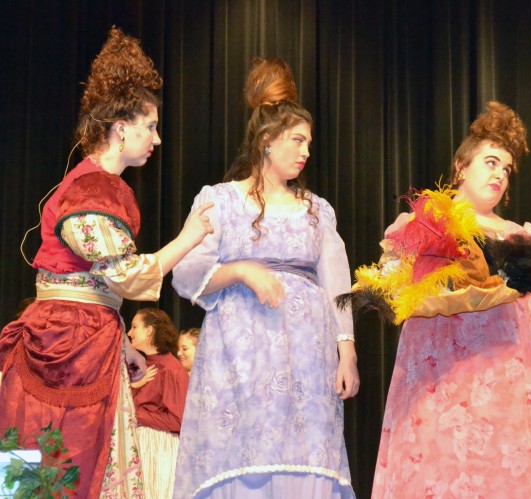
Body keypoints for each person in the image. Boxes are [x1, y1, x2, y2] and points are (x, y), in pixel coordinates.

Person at [0, 27, 213, 498]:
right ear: (121, 128)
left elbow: (95, 283)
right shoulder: (93, 189)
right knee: (52, 470)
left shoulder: (98, 186)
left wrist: (122, 347)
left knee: (42, 472)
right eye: (151, 126)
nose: (158, 138)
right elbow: (124, 274)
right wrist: (189, 236)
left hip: (84, 336)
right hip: (66, 343)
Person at [363, 102, 531, 498]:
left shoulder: (519, 236)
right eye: (491, 162)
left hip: (508, 382)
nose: (499, 174)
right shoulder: (426, 219)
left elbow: (529, 315)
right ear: (462, 166)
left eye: (506, 169)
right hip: (442, 378)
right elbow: (392, 287)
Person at [171, 58, 360, 498]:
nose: (305, 151)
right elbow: (184, 271)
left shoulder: (317, 209)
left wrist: (346, 351)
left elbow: (337, 283)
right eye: (297, 140)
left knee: (307, 462)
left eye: (308, 142)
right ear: (266, 141)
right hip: (239, 359)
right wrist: (240, 270)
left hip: (307, 361)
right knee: (243, 459)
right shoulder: (221, 200)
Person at [128, 308, 189, 499]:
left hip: (157, 448)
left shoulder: (171, 369)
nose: (129, 333)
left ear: (149, 330)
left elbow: (177, 420)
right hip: (139, 444)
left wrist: (134, 415)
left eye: (134, 327)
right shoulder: (141, 366)